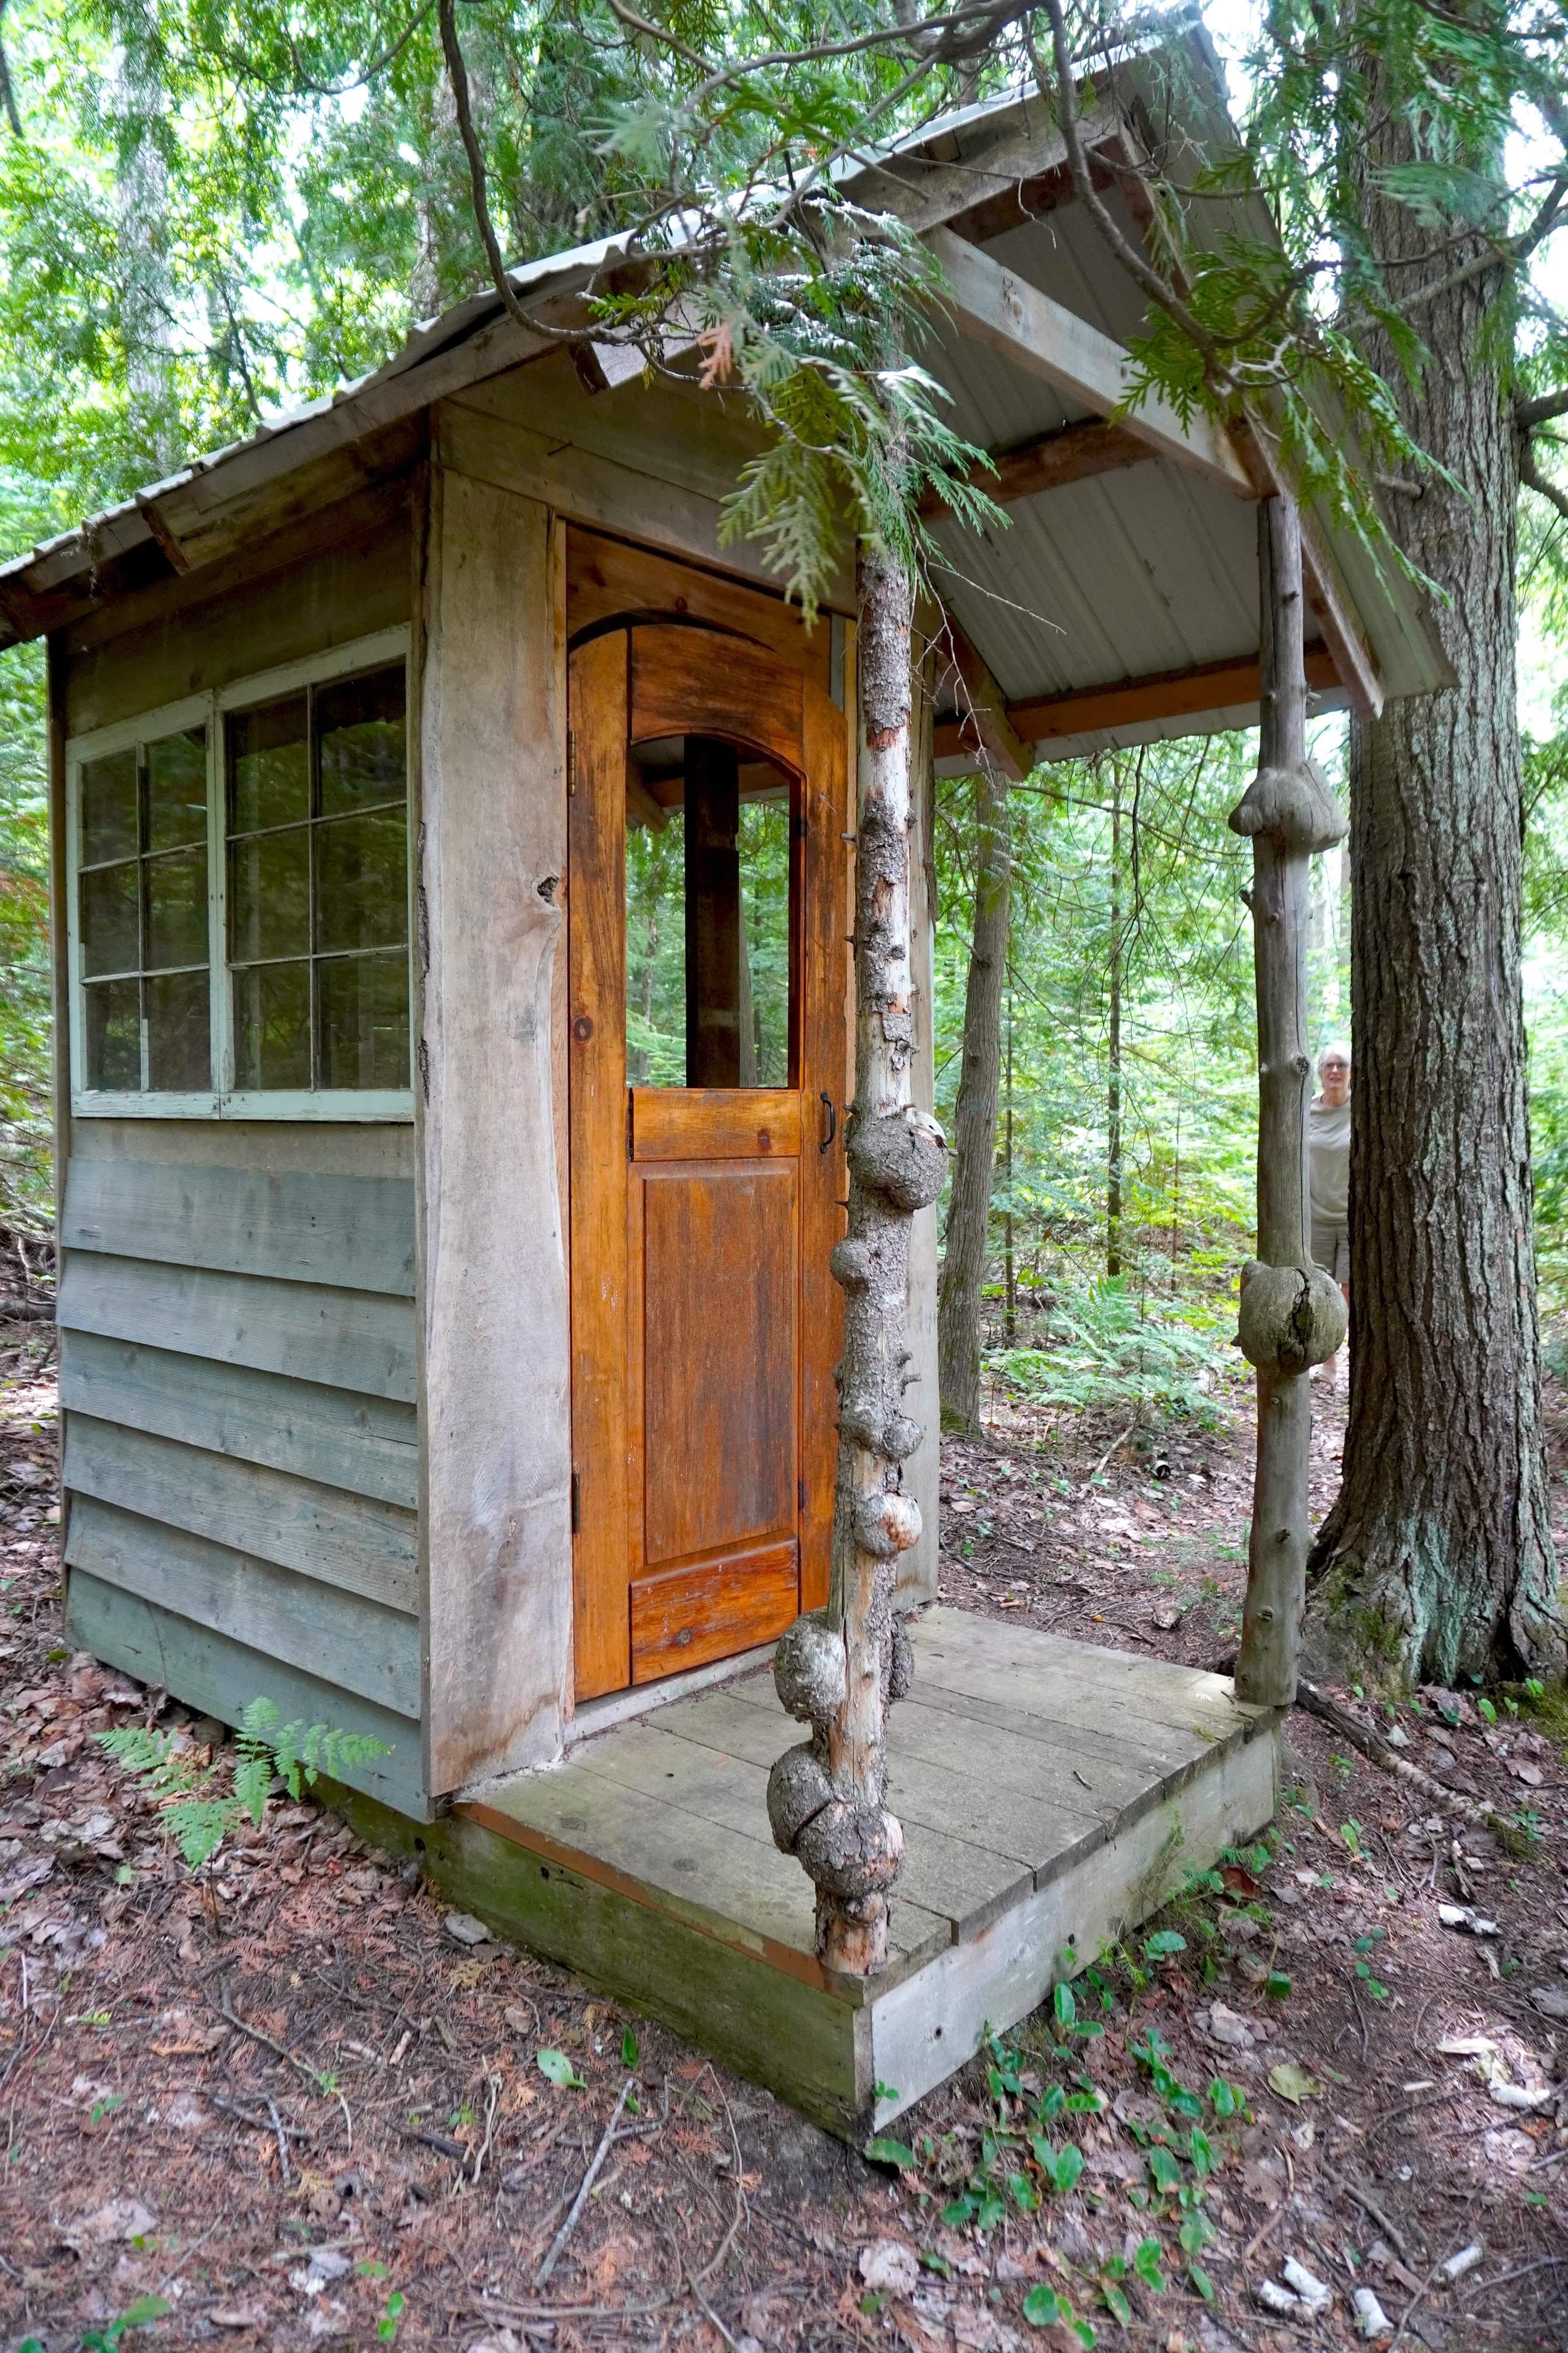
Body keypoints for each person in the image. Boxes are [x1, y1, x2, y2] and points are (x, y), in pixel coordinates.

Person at [1308, 1041, 1351, 1382]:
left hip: (1354, 1217)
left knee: (1348, 1291)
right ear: (1320, 1072)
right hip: (1316, 1216)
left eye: (1342, 1065)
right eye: (1329, 1065)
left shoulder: (1361, 1108)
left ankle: (1352, 1359)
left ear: (1352, 1072)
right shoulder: (1307, 1111)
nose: (1335, 1071)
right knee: (1322, 1289)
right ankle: (1328, 1364)